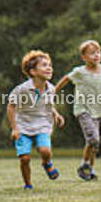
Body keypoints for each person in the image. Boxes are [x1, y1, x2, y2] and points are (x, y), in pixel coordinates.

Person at [54, 40, 101, 181]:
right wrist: (53, 92)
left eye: (98, 52)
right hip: (83, 110)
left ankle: (89, 170)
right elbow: (66, 79)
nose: (96, 55)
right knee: (93, 139)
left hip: (97, 111)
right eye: (92, 53)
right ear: (84, 57)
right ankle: (84, 165)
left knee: (92, 142)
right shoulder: (80, 72)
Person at [8, 50, 65, 190]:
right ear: (33, 71)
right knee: (24, 158)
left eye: (50, 65)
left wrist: (56, 114)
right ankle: (28, 184)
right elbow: (11, 107)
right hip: (23, 125)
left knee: (45, 150)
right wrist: (15, 128)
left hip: (42, 124)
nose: (49, 68)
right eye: (44, 65)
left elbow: (48, 105)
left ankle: (46, 163)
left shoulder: (51, 89)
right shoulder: (22, 89)